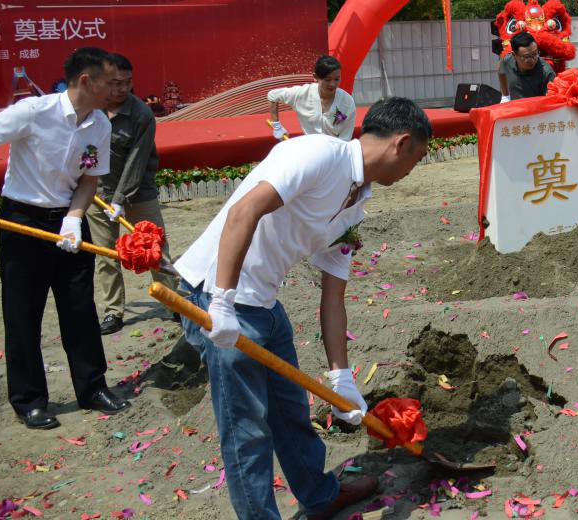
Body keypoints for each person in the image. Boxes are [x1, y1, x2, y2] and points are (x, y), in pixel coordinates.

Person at [173, 97, 432, 520]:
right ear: (401, 143)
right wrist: (221, 301)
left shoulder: (356, 204)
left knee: (290, 410)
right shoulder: (315, 154)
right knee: (247, 428)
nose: (410, 172)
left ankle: (319, 494)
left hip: (263, 304)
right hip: (215, 294)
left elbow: (333, 295)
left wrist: (341, 377)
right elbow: (245, 210)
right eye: (416, 159)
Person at [0, 48, 130, 430]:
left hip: (68, 221)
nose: (117, 89)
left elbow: (90, 178)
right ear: (86, 81)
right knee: (23, 314)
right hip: (23, 220)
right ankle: (29, 400)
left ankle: (92, 388)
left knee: (79, 308)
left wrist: (74, 217)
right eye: (110, 82)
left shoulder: (100, 125)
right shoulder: (34, 112)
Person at [86, 53, 178, 334]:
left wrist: (120, 199)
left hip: (138, 193)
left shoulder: (140, 113)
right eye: (115, 83)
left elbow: (137, 161)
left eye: (127, 83)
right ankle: (114, 311)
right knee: (106, 255)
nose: (121, 89)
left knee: (154, 248)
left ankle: (174, 303)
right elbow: (86, 150)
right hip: (98, 193)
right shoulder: (91, 110)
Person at [268, 55, 356, 141]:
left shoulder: (347, 101)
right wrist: (276, 126)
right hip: (310, 148)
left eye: (337, 79)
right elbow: (273, 96)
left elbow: (346, 137)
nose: (332, 84)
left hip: (336, 150)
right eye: (327, 80)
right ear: (315, 77)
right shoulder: (302, 93)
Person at [498, 31, 556, 101]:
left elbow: (551, 101)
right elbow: (500, 70)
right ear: (514, 55)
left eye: (535, 54)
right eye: (527, 57)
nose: (532, 60)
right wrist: (505, 96)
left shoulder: (547, 72)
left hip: (537, 109)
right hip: (513, 108)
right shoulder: (507, 61)